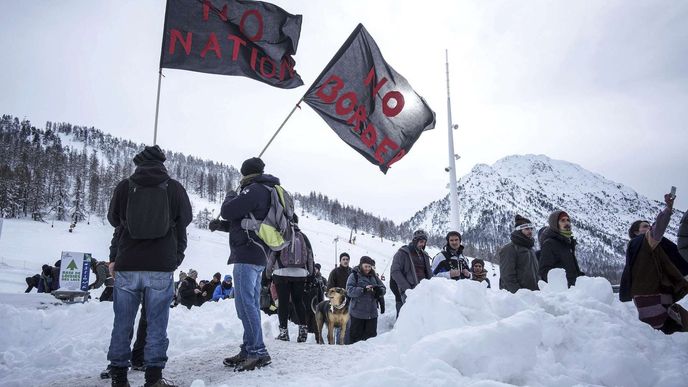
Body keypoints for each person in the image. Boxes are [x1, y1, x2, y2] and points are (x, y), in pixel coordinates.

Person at [106, 145, 192, 387]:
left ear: (138, 163)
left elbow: (114, 221)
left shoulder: (125, 186)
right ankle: (153, 378)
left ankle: (119, 377)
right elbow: (184, 221)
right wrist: (175, 258)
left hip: (128, 264)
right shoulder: (173, 187)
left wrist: (115, 257)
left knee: (122, 323)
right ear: (162, 163)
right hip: (160, 266)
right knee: (156, 324)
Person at [218, 157, 275, 371]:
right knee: (248, 302)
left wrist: (230, 195)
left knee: (245, 304)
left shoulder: (255, 189)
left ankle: (258, 352)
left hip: (248, 254)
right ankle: (249, 347)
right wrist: (223, 227)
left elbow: (229, 210)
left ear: (245, 173)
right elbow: (247, 222)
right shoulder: (265, 190)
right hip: (257, 253)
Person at [620, 194, 688, 333]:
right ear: (636, 232)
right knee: (670, 328)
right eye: (645, 226)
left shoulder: (641, 250)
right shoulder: (642, 242)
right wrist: (668, 209)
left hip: (654, 299)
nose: (649, 228)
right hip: (653, 300)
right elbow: (658, 229)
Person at [265, 226, 314, 343]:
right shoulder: (303, 237)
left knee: (283, 303)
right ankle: (303, 332)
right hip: (300, 274)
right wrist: (310, 274)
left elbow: (272, 255)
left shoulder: (280, 234)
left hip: (281, 273)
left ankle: (283, 333)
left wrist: (267, 274)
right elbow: (310, 256)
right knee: (298, 302)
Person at [390, 229, 432, 317]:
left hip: (423, 290)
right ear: (414, 241)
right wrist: (407, 289)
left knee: (421, 317)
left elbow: (428, 272)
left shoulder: (425, 255)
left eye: (424, 242)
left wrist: (430, 286)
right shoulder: (402, 253)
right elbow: (395, 271)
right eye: (420, 242)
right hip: (408, 291)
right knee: (407, 317)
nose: (422, 244)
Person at [539, 210, 584, 287]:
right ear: (555, 224)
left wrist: (582, 280)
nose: (567, 223)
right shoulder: (550, 244)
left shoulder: (568, 242)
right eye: (562, 220)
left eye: (568, 220)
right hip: (563, 293)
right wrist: (560, 287)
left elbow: (573, 269)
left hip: (574, 290)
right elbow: (544, 271)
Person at [346, 256, 386, 344]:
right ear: (361, 265)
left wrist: (379, 290)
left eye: (369, 266)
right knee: (355, 339)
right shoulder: (354, 275)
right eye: (365, 266)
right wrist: (363, 289)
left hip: (372, 314)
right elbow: (349, 291)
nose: (367, 269)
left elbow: (383, 288)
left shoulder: (374, 276)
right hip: (357, 314)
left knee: (371, 340)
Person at [498, 215, 539, 293]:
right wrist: (519, 294)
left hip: (533, 295)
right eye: (526, 229)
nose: (530, 231)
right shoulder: (510, 249)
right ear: (519, 231)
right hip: (518, 298)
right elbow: (507, 276)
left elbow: (536, 273)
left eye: (531, 229)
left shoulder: (531, 250)